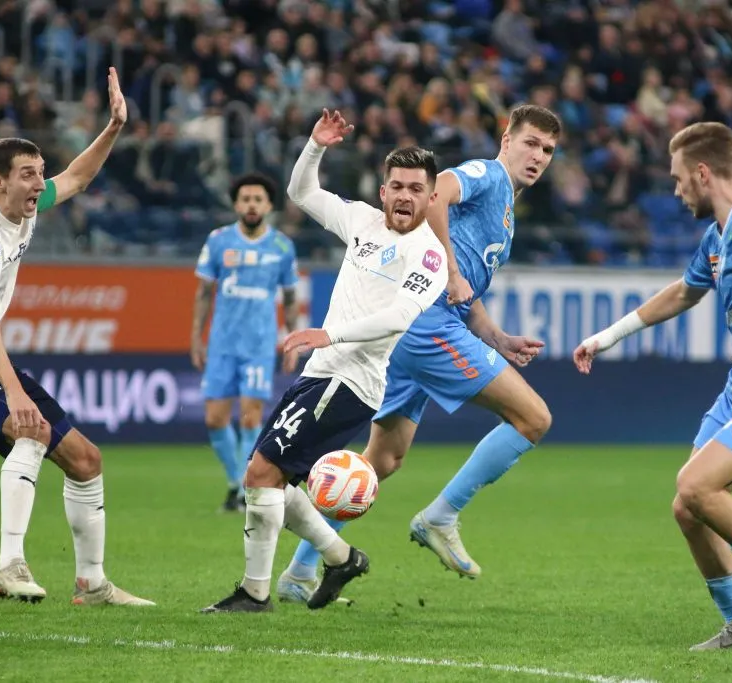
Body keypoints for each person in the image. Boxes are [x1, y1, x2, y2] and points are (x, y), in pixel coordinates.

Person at [278, 104, 561, 599]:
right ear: (506, 138)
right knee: (533, 419)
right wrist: (450, 269)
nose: (538, 156)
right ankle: (441, 516)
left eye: (548, 150)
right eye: (531, 143)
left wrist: (496, 336)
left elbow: (466, 293)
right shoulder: (488, 175)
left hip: (422, 325)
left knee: (381, 460)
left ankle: (301, 573)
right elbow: (438, 197)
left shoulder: (508, 210)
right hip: (425, 322)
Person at [573, 122, 732, 650]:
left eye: (677, 179)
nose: (675, 190)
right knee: (686, 506)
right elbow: (683, 293)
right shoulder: (719, 234)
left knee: (696, 486)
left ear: (703, 172)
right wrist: (607, 337)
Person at [0, 68, 153, 607]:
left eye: (38, 172)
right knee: (30, 429)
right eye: (28, 175)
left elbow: (77, 178)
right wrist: (17, 392)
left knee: (87, 460)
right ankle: (9, 566)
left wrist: (114, 126)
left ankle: (92, 584)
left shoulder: (20, 208)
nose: (39, 184)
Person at [200, 110, 449, 613]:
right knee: (270, 476)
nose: (404, 196)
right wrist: (314, 146)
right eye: (396, 186)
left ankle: (254, 593)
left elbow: (398, 316)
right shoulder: (361, 219)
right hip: (322, 374)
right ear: (382, 191)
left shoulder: (428, 257)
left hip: (351, 382)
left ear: (430, 197)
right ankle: (339, 557)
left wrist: (326, 333)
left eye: (415, 189)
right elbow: (302, 194)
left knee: (261, 474)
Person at [191, 173, 300, 512]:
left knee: (251, 419)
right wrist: (197, 336)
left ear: (268, 206)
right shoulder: (219, 240)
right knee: (214, 420)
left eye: (258, 199)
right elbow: (204, 292)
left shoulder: (282, 246)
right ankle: (237, 481)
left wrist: (292, 340)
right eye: (246, 199)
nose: (252, 204)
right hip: (222, 343)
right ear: (237, 204)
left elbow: (292, 297)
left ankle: (241, 491)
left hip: (258, 345)